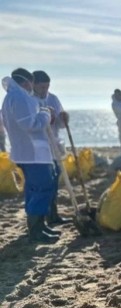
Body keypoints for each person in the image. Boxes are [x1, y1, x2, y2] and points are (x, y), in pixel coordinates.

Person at [1, 68, 60, 244]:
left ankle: (39, 225)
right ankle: (36, 230)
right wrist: (45, 113)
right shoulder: (20, 97)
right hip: (33, 153)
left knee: (35, 189)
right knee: (42, 188)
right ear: (28, 82)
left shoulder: (12, 97)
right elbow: (30, 124)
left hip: (27, 152)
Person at [32, 70, 71, 225]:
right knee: (42, 185)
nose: (45, 91)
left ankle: (53, 215)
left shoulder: (53, 98)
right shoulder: (29, 101)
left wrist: (63, 118)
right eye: (42, 87)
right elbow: (31, 125)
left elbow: (61, 124)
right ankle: (40, 220)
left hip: (54, 147)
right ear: (33, 85)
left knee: (54, 183)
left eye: (47, 87)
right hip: (36, 150)